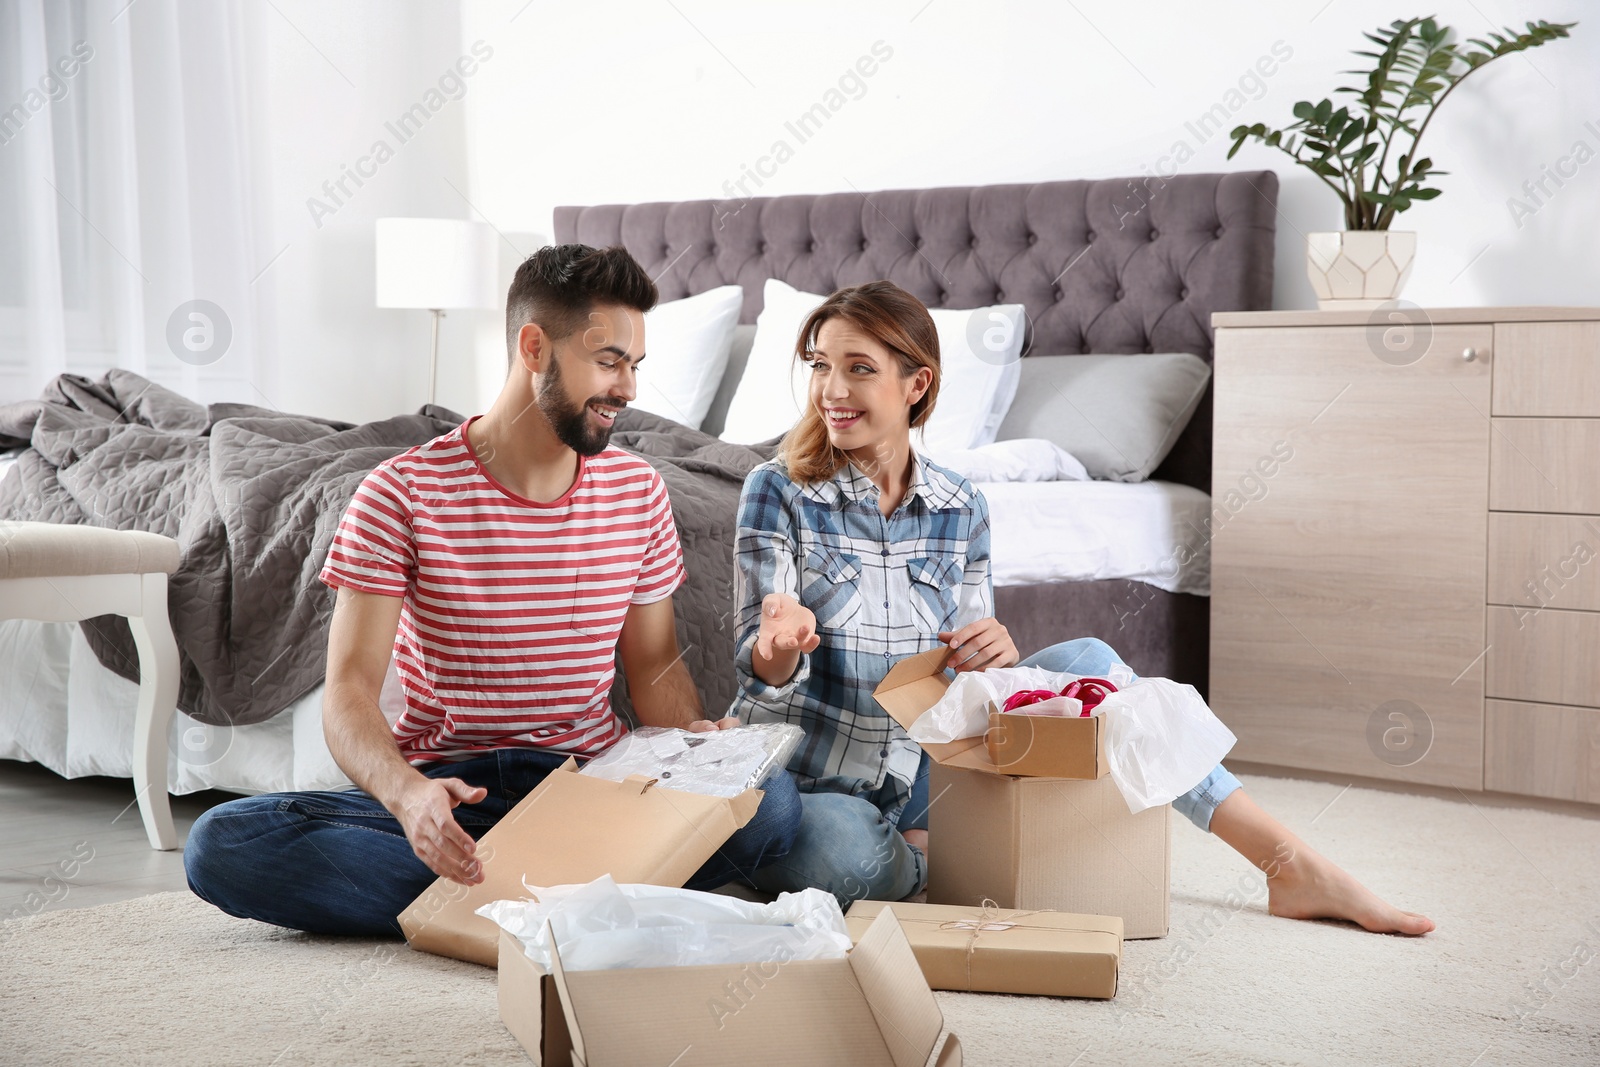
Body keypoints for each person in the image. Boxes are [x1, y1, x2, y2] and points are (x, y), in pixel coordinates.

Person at [730, 279, 1433, 936]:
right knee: (833, 856)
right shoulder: (778, 489)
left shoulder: (961, 506)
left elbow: (963, 678)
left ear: (918, 384)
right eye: (820, 366)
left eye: (857, 368)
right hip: (822, 782)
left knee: (1096, 666)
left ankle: (1289, 864)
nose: (831, 389)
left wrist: (995, 653)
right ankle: (931, 860)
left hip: (924, 770)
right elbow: (756, 669)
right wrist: (781, 647)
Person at [184, 244, 800, 935]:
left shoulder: (638, 492)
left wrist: (694, 747)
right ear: (534, 347)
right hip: (456, 791)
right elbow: (350, 690)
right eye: (608, 362)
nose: (627, 389)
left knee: (773, 809)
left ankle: (489, 900)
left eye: (634, 366)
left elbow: (654, 666)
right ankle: (575, 893)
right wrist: (408, 794)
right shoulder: (399, 493)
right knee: (222, 844)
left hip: (591, 785)